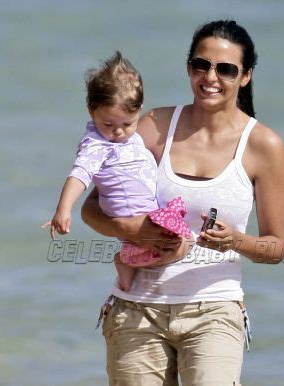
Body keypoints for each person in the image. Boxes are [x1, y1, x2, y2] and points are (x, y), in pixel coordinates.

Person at [81, 19, 284, 386]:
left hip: (214, 309)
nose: (210, 76)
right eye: (201, 64)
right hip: (137, 309)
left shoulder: (264, 146)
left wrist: (236, 241)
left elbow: (277, 246)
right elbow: (93, 208)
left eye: (225, 68)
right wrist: (134, 230)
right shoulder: (152, 126)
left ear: (246, 76)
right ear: (188, 68)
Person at [42, 51, 193, 291]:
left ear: (139, 110)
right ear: (92, 111)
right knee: (182, 243)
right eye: (108, 124)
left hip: (146, 209)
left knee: (179, 236)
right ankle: (126, 261)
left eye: (127, 123)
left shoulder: (133, 138)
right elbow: (80, 174)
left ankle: (129, 260)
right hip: (128, 213)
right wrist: (63, 210)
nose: (118, 132)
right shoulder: (96, 145)